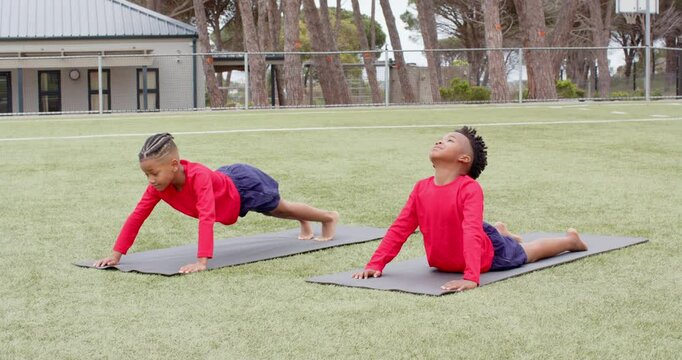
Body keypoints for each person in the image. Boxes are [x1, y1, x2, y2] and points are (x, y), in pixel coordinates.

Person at [352, 127, 587, 292]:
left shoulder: (470, 189)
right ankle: (502, 232)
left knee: (529, 252)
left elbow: (472, 231)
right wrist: (375, 264)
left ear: (463, 159)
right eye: (441, 138)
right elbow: (400, 228)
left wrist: (471, 277)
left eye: (450, 140)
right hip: (449, 256)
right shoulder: (420, 188)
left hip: (487, 254)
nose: (440, 141)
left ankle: (570, 241)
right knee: (488, 232)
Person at [94, 133, 339, 274]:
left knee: (279, 209)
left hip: (243, 187)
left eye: (154, 173)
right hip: (226, 190)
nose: (150, 180)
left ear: (174, 164)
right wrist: (116, 255)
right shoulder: (158, 188)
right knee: (278, 211)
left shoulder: (198, 176)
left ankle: (328, 218)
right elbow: (137, 216)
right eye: (146, 174)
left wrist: (202, 261)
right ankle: (304, 220)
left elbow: (206, 216)